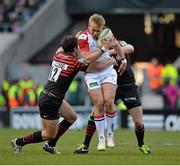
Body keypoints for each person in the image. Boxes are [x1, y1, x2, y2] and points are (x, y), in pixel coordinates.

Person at [11, 35, 116, 155]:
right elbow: (95, 67)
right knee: (48, 134)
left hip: (52, 96)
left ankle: (51, 145)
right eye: (78, 48)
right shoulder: (73, 63)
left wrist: (74, 38)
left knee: (71, 117)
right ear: (74, 49)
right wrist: (109, 58)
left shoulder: (58, 54)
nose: (79, 50)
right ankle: (19, 142)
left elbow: (62, 47)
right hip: (50, 100)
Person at [74, 40, 151, 155]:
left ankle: (141, 145)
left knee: (139, 123)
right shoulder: (96, 51)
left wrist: (108, 52)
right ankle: (85, 145)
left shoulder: (117, 43)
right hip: (109, 84)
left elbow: (130, 48)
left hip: (127, 85)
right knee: (95, 112)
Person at [77, 13, 127, 151]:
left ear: (102, 28)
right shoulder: (83, 37)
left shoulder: (107, 34)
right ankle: (101, 139)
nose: (95, 33)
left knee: (109, 101)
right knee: (98, 103)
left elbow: (116, 46)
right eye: (92, 30)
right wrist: (103, 49)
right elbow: (87, 59)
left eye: (97, 30)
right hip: (92, 74)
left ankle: (110, 135)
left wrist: (123, 59)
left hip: (107, 72)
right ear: (88, 27)